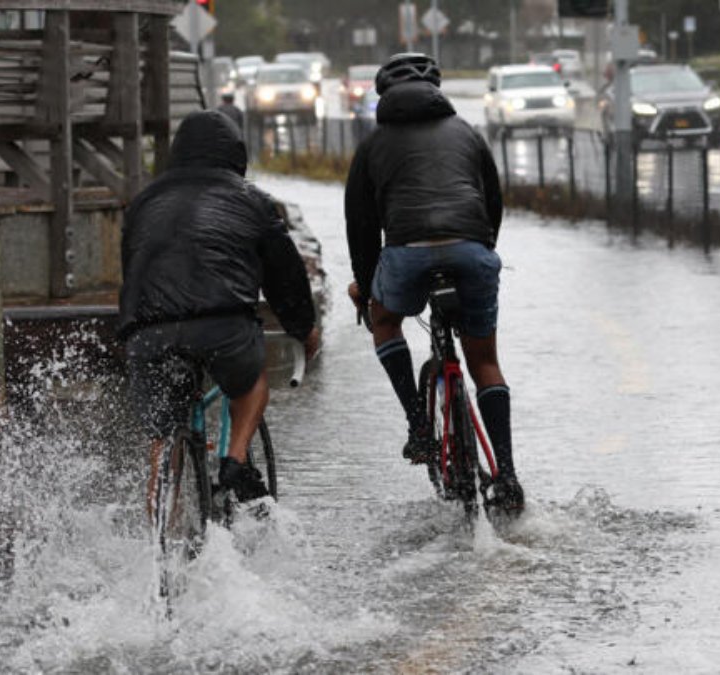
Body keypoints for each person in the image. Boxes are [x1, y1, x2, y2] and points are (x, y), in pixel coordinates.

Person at [344, 53, 524, 512]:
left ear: (385, 94)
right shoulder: (468, 133)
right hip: (473, 250)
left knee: (386, 321)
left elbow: (361, 228)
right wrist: (480, 250)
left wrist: (366, 289)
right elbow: (493, 203)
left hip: (406, 254)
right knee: (483, 359)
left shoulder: (372, 145)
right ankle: (506, 474)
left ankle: (418, 427)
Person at [119, 110, 320, 503]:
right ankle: (236, 458)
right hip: (223, 325)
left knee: (163, 438)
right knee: (250, 381)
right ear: (237, 154)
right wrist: (302, 328)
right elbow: (286, 276)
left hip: (147, 330)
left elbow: (133, 271)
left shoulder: (142, 204)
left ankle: (163, 544)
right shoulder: (253, 201)